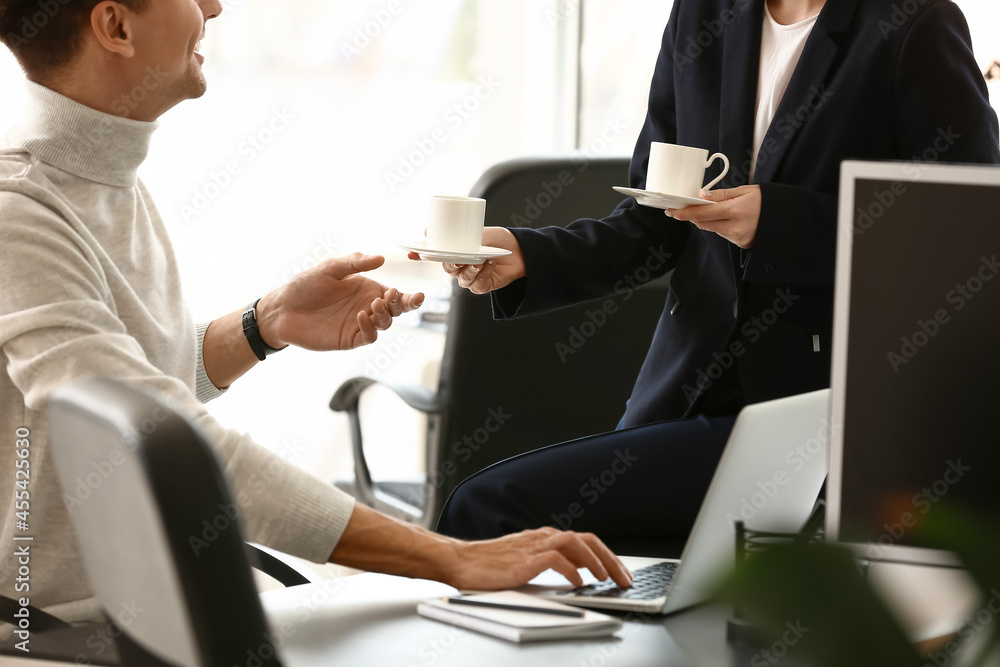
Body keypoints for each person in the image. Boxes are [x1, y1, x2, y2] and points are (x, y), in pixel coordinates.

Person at [0, 0, 632, 628]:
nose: (215, 8)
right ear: (115, 26)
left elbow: (134, 381)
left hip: (153, 604)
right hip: (55, 628)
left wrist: (265, 323)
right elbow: (158, 438)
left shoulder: (105, 181)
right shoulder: (20, 214)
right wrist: (451, 557)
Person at [432, 0, 1000, 547]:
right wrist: (526, 255)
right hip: (685, 393)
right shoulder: (703, 13)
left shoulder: (914, 21)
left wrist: (781, 221)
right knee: (599, 571)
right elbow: (655, 224)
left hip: (818, 417)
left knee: (487, 506)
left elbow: (965, 233)